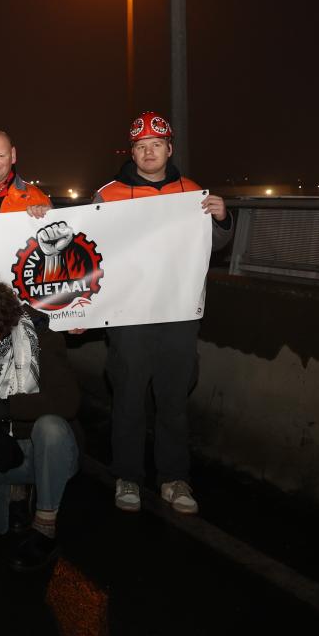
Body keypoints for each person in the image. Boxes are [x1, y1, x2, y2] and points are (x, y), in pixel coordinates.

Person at [94, 111, 231, 516]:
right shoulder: (107, 195)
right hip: (128, 316)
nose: (149, 152)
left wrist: (222, 218)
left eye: (156, 145)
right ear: (131, 151)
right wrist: (83, 308)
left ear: (169, 149)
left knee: (173, 398)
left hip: (177, 314)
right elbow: (88, 253)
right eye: (141, 146)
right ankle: (128, 476)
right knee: (129, 398)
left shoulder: (193, 192)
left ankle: (174, 478)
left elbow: (213, 245)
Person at [0, 278, 81, 572]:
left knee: (50, 426)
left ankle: (45, 527)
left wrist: (8, 407)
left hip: (49, 451)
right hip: (5, 452)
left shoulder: (43, 341)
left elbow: (68, 402)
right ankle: (12, 498)